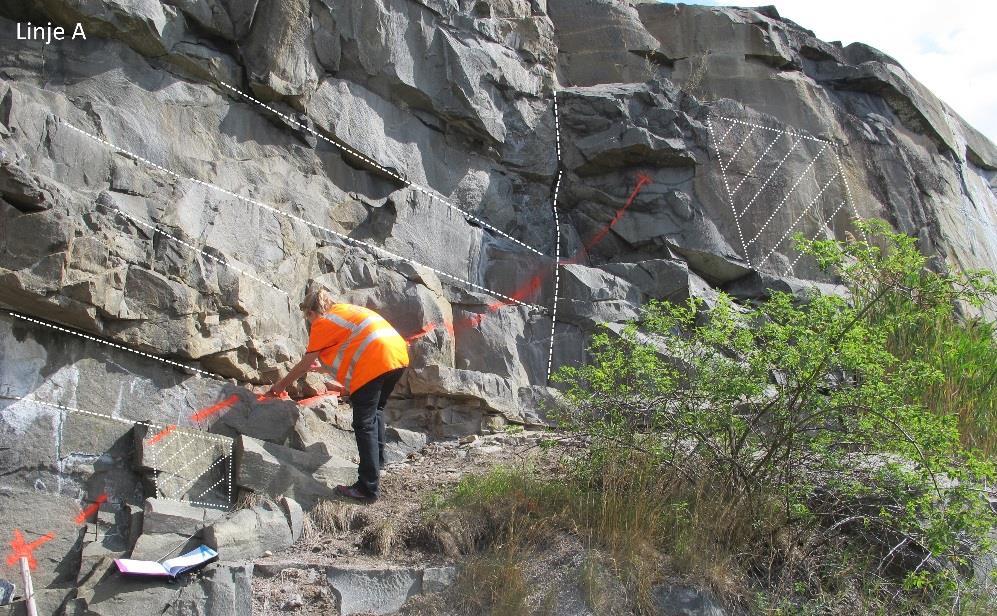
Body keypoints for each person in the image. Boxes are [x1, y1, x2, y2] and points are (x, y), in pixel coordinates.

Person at [265, 288, 409, 503]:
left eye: (308, 317)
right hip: (397, 355)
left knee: (363, 424)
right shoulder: (344, 311)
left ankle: (367, 488)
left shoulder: (322, 322)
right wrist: (323, 370)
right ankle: (378, 465)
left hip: (376, 362)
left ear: (313, 312)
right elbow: (354, 344)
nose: (309, 323)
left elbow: (304, 363)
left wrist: (280, 386)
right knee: (376, 411)